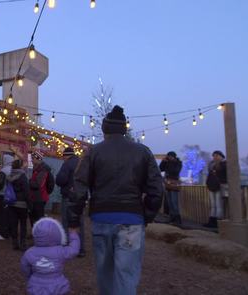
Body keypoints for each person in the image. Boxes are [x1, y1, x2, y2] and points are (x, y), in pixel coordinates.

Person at [68, 105, 163, 295]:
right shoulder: (142, 151)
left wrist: (73, 220)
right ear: (124, 129)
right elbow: (156, 189)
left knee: (105, 273)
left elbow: (79, 186)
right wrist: (147, 215)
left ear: (104, 129)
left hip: (101, 218)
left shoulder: (93, 152)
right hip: (132, 221)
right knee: (126, 274)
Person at [20, 217, 80, 295]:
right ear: (58, 234)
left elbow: (24, 266)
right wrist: (73, 234)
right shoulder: (60, 251)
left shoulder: (30, 252)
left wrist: (30, 277)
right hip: (58, 287)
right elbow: (74, 250)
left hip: (36, 287)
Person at [56, 147, 86, 257]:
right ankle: (81, 248)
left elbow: (60, 180)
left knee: (67, 222)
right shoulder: (82, 163)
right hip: (80, 198)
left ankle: (70, 247)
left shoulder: (67, 164)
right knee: (80, 223)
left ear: (66, 156)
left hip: (69, 197)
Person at [7, 159, 30, 250]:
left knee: (14, 223)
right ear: (20, 166)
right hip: (22, 204)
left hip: (12, 202)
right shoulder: (23, 176)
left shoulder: (10, 175)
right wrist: (29, 203)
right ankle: (23, 243)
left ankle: (15, 242)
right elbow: (26, 191)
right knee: (23, 224)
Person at [0, 154, 15, 241]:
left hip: (3, 195)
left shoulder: (3, 171)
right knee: (9, 215)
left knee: (2, 215)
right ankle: (9, 232)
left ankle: (3, 234)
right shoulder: (14, 170)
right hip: (11, 196)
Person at [204, 150, 227, 228]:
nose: (215, 157)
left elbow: (224, 174)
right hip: (212, 185)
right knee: (213, 205)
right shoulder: (211, 164)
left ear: (221, 156)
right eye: (214, 156)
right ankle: (212, 220)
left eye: (217, 155)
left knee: (218, 204)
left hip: (220, 186)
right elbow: (210, 174)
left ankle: (218, 221)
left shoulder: (224, 164)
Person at [159, 151, 183, 225]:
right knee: (169, 202)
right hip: (167, 183)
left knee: (174, 202)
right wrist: (163, 162)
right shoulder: (167, 162)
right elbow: (160, 169)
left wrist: (170, 164)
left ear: (174, 156)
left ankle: (177, 218)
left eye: (170, 156)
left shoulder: (178, 163)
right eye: (168, 156)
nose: (169, 158)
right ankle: (172, 217)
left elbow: (176, 171)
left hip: (174, 183)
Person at [29, 150, 52, 226]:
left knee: (38, 218)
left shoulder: (43, 170)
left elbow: (38, 184)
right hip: (36, 196)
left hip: (40, 197)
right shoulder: (37, 168)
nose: (32, 160)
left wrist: (29, 181)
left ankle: (39, 234)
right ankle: (35, 233)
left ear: (38, 159)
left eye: (33, 158)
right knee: (34, 216)